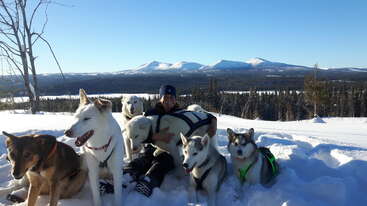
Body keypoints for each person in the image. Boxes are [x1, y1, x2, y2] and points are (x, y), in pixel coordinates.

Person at [99, 85, 217, 197]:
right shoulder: (151, 113)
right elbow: (140, 134)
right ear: (160, 98)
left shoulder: (180, 114)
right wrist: (155, 137)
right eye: (165, 97)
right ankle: (123, 177)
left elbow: (202, 116)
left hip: (170, 151)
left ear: (175, 100)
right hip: (151, 147)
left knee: (162, 163)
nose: (168, 100)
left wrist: (213, 120)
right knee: (143, 160)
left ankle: (148, 181)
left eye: (172, 98)